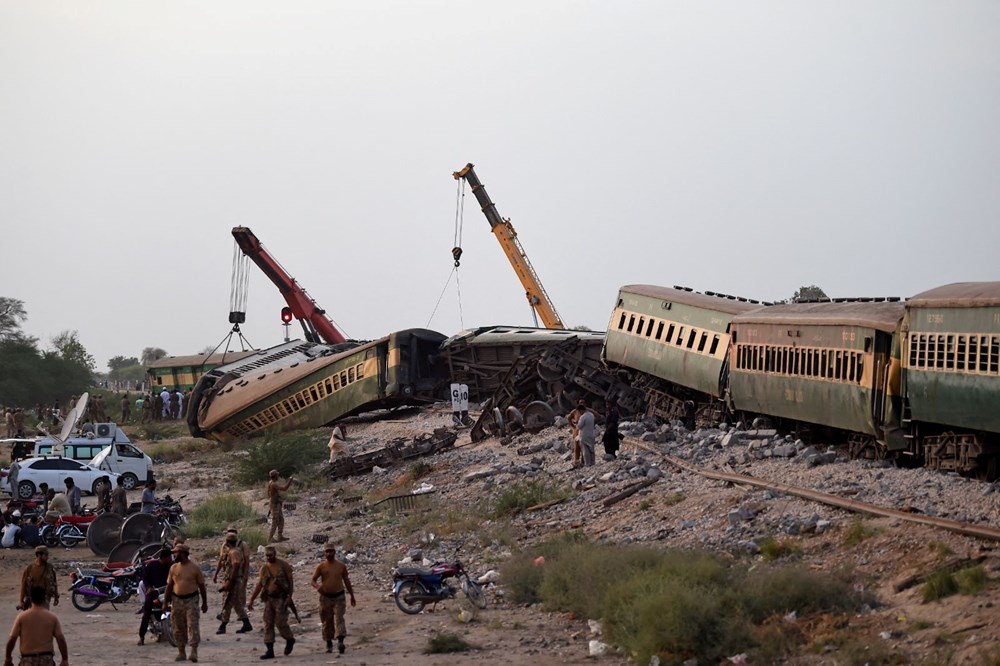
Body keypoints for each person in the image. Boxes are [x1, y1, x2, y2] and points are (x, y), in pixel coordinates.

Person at [247, 545, 295, 660]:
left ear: (275, 554)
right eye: (267, 556)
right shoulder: (264, 569)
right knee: (268, 623)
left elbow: (290, 581)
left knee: (280, 622)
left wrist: (290, 596)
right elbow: (260, 585)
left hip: (280, 598)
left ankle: (289, 639)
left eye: (271, 555)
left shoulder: (283, 565)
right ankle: (270, 650)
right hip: (269, 599)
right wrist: (252, 600)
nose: (269, 557)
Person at [164, 543, 208, 663]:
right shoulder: (173, 568)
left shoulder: (194, 568)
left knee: (192, 625)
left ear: (183, 553)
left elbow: (202, 586)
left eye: (176, 553)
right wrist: (165, 603)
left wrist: (204, 603)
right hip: (177, 600)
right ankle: (181, 651)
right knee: (178, 626)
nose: (174, 555)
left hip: (191, 600)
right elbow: (169, 586)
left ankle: (194, 651)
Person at [5, 586, 69, 666]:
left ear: (31, 599)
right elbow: (60, 639)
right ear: (44, 598)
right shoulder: (52, 617)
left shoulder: (22, 617)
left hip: (27, 660)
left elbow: (12, 639)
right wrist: (64, 659)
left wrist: (8, 658)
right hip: (46, 660)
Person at [310, 543, 356, 654]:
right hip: (325, 597)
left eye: (331, 551)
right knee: (326, 621)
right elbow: (313, 580)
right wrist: (318, 587)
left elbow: (346, 581)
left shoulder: (341, 566)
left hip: (339, 596)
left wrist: (352, 595)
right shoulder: (321, 567)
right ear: (324, 553)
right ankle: (329, 644)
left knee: (339, 619)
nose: (329, 553)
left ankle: (340, 641)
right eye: (327, 551)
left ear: (334, 552)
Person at [212, 530, 252, 635]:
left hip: (233, 580)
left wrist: (231, 582)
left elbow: (236, 566)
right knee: (236, 603)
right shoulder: (231, 551)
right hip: (231, 579)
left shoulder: (234, 552)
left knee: (228, 602)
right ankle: (246, 623)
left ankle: (223, 625)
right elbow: (222, 561)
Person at [137, 548, 173, 646]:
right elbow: (145, 578)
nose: (171, 558)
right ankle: (142, 637)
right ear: (164, 557)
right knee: (147, 611)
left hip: (168, 591)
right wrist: (148, 587)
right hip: (155, 592)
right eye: (169, 557)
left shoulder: (172, 566)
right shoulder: (152, 565)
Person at [18, 545, 59, 610]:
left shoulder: (49, 568)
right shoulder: (29, 568)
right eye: (45, 555)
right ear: (39, 555)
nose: (47, 557)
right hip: (32, 598)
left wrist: (56, 596)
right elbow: (23, 584)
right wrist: (21, 601)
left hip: (45, 598)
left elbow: (54, 582)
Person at [266, 470, 293, 543]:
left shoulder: (270, 483)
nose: (278, 476)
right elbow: (284, 488)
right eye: (277, 475)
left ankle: (280, 536)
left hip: (276, 504)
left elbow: (269, 494)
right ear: (275, 476)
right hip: (274, 505)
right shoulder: (273, 484)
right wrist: (290, 481)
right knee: (275, 521)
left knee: (281, 519)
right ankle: (270, 538)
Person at [575, 399, 596, 467]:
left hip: (584, 436)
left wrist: (576, 424)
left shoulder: (583, 417)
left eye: (579, 411)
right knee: (591, 449)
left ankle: (588, 464)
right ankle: (593, 463)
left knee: (585, 451)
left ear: (581, 410)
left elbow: (579, 426)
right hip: (591, 434)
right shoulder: (591, 415)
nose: (579, 412)